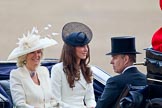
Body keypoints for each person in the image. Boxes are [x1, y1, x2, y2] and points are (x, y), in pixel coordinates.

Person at [8, 27, 59, 108]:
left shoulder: (44, 71)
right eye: (32, 52)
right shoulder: (16, 74)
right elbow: (20, 104)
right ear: (24, 56)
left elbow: (53, 99)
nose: (36, 55)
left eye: (39, 52)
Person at [51, 22, 96, 108]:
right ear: (71, 49)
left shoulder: (87, 70)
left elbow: (90, 99)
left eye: (86, 46)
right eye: (82, 46)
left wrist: (91, 106)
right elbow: (55, 101)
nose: (86, 49)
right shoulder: (58, 69)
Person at [96, 36, 147, 108]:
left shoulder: (115, 82)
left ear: (126, 59)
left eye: (115, 57)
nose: (111, 62)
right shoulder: (146, 79)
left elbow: (100, 106)